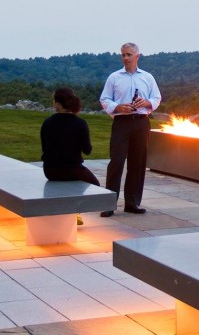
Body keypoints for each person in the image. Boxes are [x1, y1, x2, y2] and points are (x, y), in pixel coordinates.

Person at [99, 42, 161, 217]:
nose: (125, 58)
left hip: (141, 122)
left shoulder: (147, 77)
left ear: (137, 56)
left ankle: (132, 203)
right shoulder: (114, 77)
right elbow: (104, 99)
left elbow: (157, 98)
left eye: (129, 55)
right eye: (123, 55)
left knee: (138, 163)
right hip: (121, 123)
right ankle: (109, 204)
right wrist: (118, 107)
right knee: (116, 162)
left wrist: (146, 102)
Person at [41, 87, 99, 225]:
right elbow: (87, 150)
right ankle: (76, 211)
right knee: (96, 185)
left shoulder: (47, 122)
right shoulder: (80, 123)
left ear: (58, 104)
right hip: (73, 170)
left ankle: (68, 211)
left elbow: (45, 148)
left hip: (50, 170)